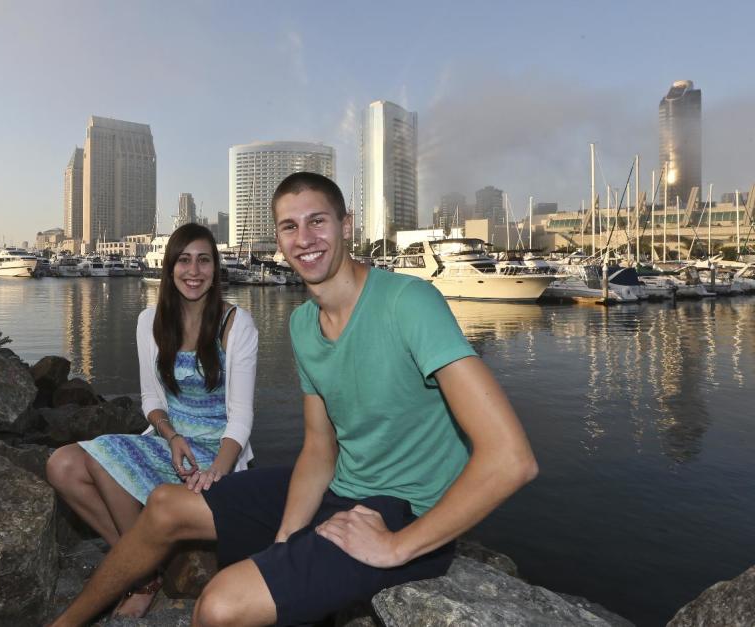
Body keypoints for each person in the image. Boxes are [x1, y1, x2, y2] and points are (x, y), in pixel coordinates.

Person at [49, 173, 537, 627]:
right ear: (279, 241)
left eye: (317, 221)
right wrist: (284, 543)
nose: (304, 238)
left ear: (346, 226)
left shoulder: (409, 303)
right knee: (163, 506)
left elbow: (510, 459)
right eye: (289, 226)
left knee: (218, 607)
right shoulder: (304, 324)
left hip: (404, 511)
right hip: (341, 487)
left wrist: (398, 547)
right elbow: (320, 450)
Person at [46, 222, 257, 618]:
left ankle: (138, 571)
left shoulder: (235, 324)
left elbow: (242, 416)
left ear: (216, 268)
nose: (193, 271)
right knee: (62, 464)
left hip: (219, 448)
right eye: (183, 260)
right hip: (171, 441)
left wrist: (217, 472)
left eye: (204, 261)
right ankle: (145, 570)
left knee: (101, 460)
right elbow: (151, 400)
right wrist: (172, 435)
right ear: (169, 268)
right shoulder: (150, 321)